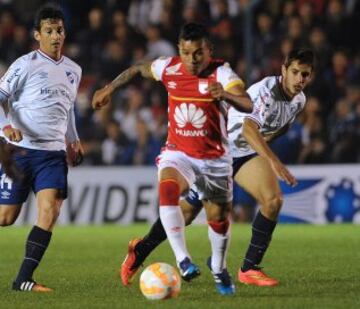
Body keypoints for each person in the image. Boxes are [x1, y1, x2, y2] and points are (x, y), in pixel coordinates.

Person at [120, 48, 314, 287]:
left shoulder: (299, 100)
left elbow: (280, 125)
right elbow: (248, 129)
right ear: (284, 70)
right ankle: (140, 250)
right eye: (295, 72)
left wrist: (266, 145)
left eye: (305, 74)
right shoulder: (264, 92)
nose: (299, 79)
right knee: (188, 213)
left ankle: (249, 268)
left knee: (273, 201)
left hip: (245, 153)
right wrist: (273, 160)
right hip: (217, 151)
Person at [92, 23, 253, 295]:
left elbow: (247, 103)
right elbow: (137, 68)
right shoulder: (168, 68)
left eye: (198, 53)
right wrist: (109, 88)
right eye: (186, 52)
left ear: (208, 50)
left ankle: (218, 267)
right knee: (167, 189)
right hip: (179, 153)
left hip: (215, 159)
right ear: (180, 50)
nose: (192, 59)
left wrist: (224, 94)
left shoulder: (221, 73)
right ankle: (183, 260)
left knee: (219, 219)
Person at [0, 4, 83, 292]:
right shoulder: (25, 64)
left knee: (50, 211)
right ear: (38, 35)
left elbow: (68, 108)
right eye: (49, 31)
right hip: (19, 152)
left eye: (59, 30)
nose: (55, 36)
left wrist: (73, 139)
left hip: (53, 155)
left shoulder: (74, 70)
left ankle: (23, 278)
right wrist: (4, 126)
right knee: (5, 218)